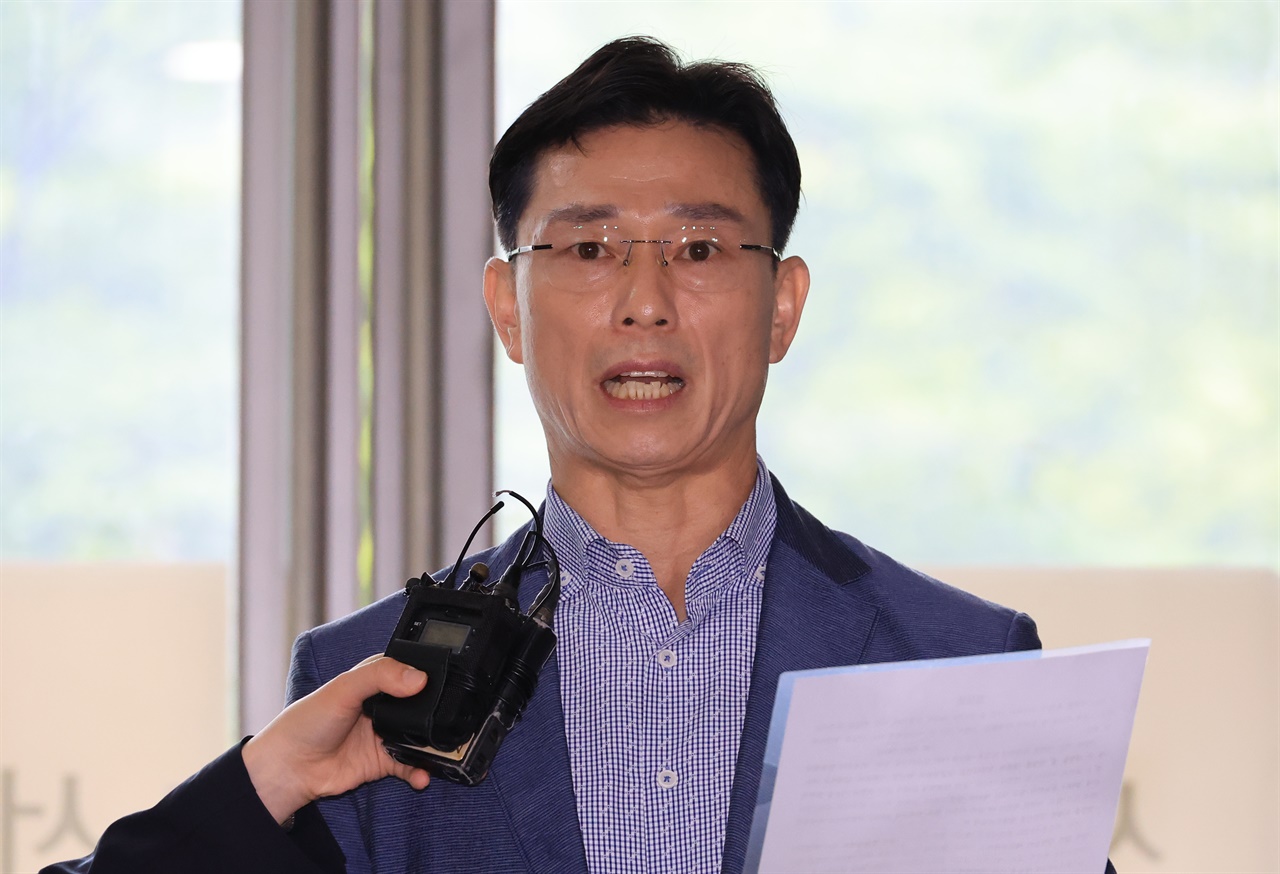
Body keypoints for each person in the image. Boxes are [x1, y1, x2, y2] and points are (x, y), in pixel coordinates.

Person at [47, 37, 1112, 874]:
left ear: (782, 305)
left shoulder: (956, 662)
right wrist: (262, 785)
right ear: (507, 306)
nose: (645, 301)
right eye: (589, 248)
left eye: (699, 248)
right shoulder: (364, 686)